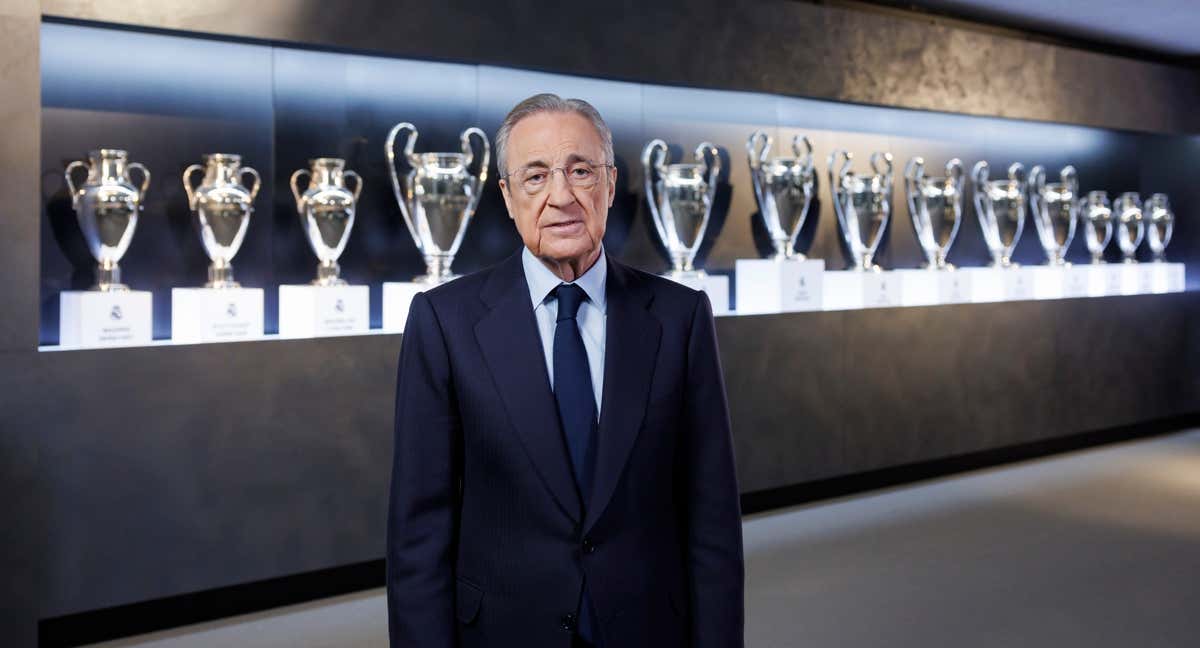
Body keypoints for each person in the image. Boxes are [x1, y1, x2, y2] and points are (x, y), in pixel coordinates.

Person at [387, 93, 743, 648]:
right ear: (506, 196)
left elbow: (712, 520)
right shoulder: (445, 323)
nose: (561, 196)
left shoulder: (679, 318)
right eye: (535, 177)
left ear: (608, 183)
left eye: (580, 171)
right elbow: (419, 533)